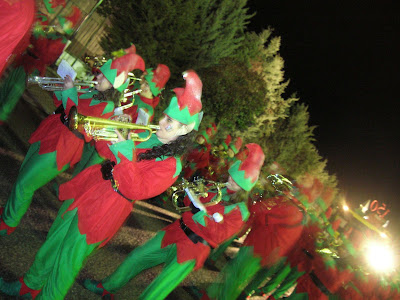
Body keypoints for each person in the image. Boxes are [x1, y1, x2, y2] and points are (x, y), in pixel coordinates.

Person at [0, 70, 204, 299]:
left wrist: (125, 148)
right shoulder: (150, 137)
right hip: (93, 186)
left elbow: (135, 189)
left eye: (170, 122)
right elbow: (105, 152)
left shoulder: (172, 165)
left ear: (185, 130)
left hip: (108, 206)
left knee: (69, 259)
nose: (161, 122)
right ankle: (29, 285)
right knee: (54, 239)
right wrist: (114, 131)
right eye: (165, 116)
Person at [83, 143, 265, 300]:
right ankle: (107, 287)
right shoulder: (217, 187)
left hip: (193, 247)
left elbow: (218, 235)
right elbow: (186, 204)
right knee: (137, 257)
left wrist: (199, 213)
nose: (231, 181)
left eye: (237, 182)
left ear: (245, 188)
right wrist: (191, 192)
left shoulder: (241, 211)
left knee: (158, 289)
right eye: (232, 176)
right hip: (175, 231)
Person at [0, 46, 145, 235]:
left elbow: (81, 126)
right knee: (24, 173)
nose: (98, 77)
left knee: (26, 183)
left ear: (113, 87)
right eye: (100, 74)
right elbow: (61, 104)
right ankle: (10, 211)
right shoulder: (89, 90)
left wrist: (69, 93)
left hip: (64, 145)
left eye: (104, 77)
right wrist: (62, 89)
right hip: (51, 130)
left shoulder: (107, 106)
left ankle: (9, 222)